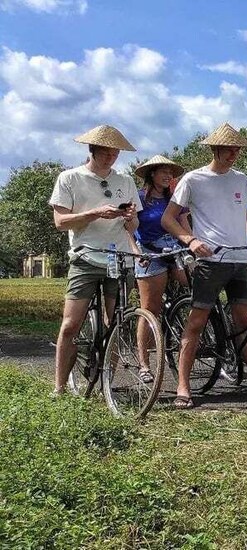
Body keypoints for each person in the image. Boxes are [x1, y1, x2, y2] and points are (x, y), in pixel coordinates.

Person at [161, 122, 247, 409]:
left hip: (240, 259)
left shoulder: (241, 179)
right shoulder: (193, 179)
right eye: (229, 149)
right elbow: (168, 218)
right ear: (215, 149)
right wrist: (190, 240)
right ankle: (183, 385)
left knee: (244, 320)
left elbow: (245, 219)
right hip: (211, 260)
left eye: (237, 149)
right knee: (196, 322)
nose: (234, 154)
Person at [48, 124, 143, 395]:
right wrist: (95, 213)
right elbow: (60, 222)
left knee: (115, 323)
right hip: (86, 257)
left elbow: (134, 226)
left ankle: (106, 383)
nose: (112, 156)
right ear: (93, 149)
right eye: (106, 151)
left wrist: (130, 218)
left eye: (116, 152)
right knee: (70, 325)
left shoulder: (125, 181)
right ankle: (59, 387)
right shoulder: (70, 178)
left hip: (118, 258)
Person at [133, 155, 189, 380]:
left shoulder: (175, 199)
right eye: (163, 172)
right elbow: (130, 228)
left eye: (170, 172)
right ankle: (144, 364)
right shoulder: (139, 199)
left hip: (174, 249)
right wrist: (138, 255)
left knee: (192, 291)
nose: (168, 176)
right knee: (149, 309)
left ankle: (179, 327)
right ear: (152, 174)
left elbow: (184, 226)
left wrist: (193, 246)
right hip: (149, 252)